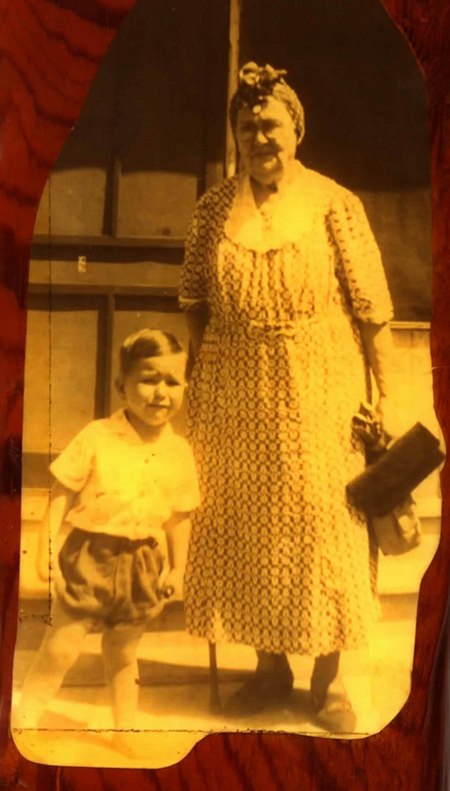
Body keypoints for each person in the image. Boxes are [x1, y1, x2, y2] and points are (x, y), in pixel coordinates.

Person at [179, 62, 398, 731]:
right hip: (233, 389)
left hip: (321, 387)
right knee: (247, 529)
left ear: (297, 129)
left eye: (270, 124)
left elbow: (374, 311)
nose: (259, 137)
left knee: (326, 527)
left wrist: (387, 396)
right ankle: (268, 668)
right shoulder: (213, 209)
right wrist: (198, 385)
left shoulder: (335, 203)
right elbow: (194, 303)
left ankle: (332, 680)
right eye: (246, 127)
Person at [16, 329, 200, 754]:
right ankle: (25, 720)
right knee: (61, 646)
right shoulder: (98, 435)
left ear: (184, 387)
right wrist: (46, 545)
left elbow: (179, 517)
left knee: (123, 652)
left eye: (172, 382)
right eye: (148, 379)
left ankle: (125, 729)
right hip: (91, 553)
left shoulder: (179, 451)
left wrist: (177, 567)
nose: (160, 393)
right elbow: (62, 490)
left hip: (143, 562)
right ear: (122, 385)